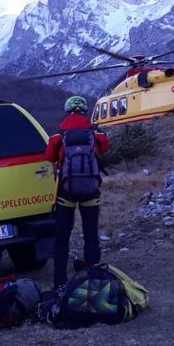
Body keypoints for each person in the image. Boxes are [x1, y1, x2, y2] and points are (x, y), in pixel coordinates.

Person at [44, 95, 110, 291]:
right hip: (91, 190)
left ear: (67, 111)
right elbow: (106, 147)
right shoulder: (95, 132)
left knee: (62, 237)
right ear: (84, 111)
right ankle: (93, 278)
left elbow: (48, 156)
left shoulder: (58, 135)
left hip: (66, 192)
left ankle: (60, 282)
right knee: (91, 235)